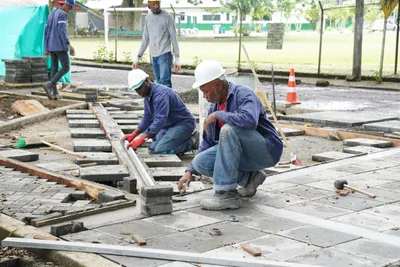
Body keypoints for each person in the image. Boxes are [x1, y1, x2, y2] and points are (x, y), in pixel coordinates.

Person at [177, 60, 283, 211]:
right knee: (201, 162)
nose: (204, 96)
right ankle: (250, 179)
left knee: (229, 129)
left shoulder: (243, 94)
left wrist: (218, 115)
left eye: (206, 91)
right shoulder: (213, 108)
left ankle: (226, 195)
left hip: (267, 151)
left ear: (218, 86)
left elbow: (249, 121)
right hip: (245, 154)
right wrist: (189, 172)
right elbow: (207, 143)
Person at [122, 69, 198, 155]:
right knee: (152, 149)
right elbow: (147, 118)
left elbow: (159, 120)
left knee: (160, 151)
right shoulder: (148, 96)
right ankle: (178, 141)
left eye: (139, 88)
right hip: (169, 125)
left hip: (183, 124)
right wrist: (134, 134)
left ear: (147, 81)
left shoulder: (161, 94)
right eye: (136, 90)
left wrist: (141, 139)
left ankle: (192, 142)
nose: (139, 92)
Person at [132, 0, 180, 88]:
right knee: (157, 81)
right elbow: (145, 38)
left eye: (158, 4)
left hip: (165, 54)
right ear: (149, 5)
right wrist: (138, 57)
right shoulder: (148, 18)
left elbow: (174, 37)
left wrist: (177, 58)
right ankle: (159, 101)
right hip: (154, 55)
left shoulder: (167, 16)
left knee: (165, 82)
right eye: (154, 4)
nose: (156, 6)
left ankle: (167, 101)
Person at [43, 0, 75, 100]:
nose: (69, 10)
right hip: (60, 46)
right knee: (66, 67)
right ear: (65, 4)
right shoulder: (62, 14)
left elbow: (46, 31)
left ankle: (55, 93)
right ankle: (49, 85)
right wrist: (68, 44)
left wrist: (46, 47)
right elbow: (62, 31)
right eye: (70, 7)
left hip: (51, 46)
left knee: (54, 68)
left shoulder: (52, 14)